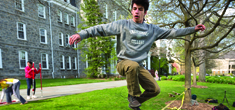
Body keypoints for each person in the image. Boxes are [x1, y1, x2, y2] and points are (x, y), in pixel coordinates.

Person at [69, 0, 206, 109]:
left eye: (140, 9)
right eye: (134, 8)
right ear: (131, 10)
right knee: (132, 65)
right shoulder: (122, 25)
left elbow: (173, 32)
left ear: (145, 12)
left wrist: (193, 29)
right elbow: (101, 29)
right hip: (123, 63)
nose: (136, 12)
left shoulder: (152, 30)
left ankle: (135, 102)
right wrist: (81, 34)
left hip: (138, 66)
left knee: (155, 89)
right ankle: (132, 96)